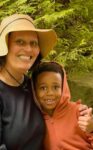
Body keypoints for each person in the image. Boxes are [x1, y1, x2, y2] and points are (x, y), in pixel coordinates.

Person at [0, 14, 57, 149]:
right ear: (4, 47)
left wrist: (90, 123)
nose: (29, 49)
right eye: (20, 42)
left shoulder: (34, 85)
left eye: (34, 43)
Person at [32, 61, 93, 150]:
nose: (50, 93)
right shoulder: (34, 119)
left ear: (63, 87)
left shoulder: (78, 112)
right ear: (35, 90)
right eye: (43, 88)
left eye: (56, 87)